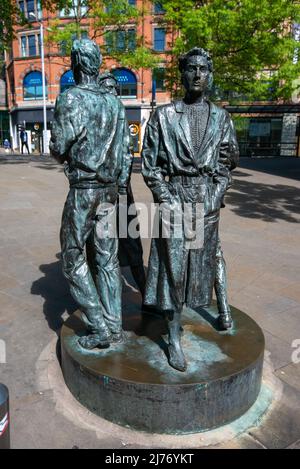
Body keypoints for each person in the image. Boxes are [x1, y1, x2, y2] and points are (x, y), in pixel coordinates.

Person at [142, 47, 239, 372]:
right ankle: (173, 338)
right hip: (175, 196)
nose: (197, 74)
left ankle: (212, 312)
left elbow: (227, 164)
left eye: (204, 69)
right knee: (173, 271)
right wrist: (165, 196)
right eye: (191, 69)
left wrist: (215, 193)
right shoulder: (164, 116)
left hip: (206, 200)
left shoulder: (222, 118)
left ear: (210, 75)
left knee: (200, 269)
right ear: (181, 74)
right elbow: (150, 165)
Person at [50, 39, 133, 350]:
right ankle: (115, 326)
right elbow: (126, 152)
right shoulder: (114, 102)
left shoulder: (70, 99)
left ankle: (98, 325)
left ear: (76, 64)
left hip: (84, 190)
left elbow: (59, 147)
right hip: (109, 191)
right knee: (107, 258)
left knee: (72, 257)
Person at [97, 71, 147, 297]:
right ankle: (105, 295)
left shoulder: (119, 116)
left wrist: (121, 184)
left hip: (121, 192)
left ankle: (145, 290)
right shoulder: (94, 118)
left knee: (132, 243)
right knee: (101, 246)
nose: (112, 93)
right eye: (107, 89)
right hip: (97, 192)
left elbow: (127, 153)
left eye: (114, 89)